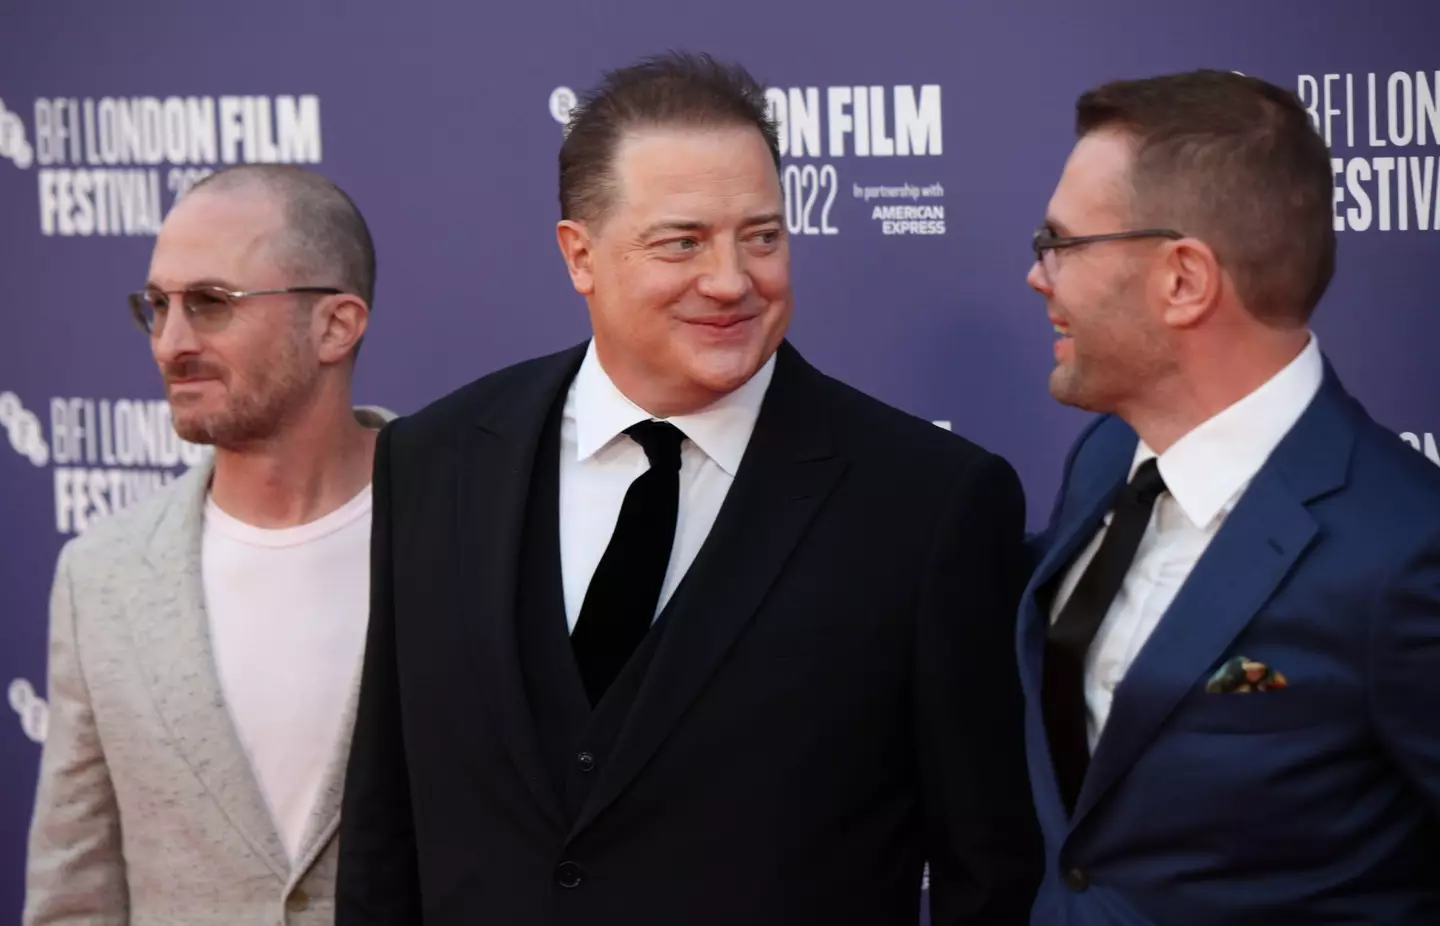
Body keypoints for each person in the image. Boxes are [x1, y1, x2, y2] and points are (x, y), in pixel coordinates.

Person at [336, 51, 1039, 925]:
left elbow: (991, 870)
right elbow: (383, 825)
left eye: (762, 235)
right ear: (579, 255)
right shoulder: (432, 461)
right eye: (683, 242)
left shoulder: (929, 504)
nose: (732, 281)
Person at [1020, 69, 1440, 924]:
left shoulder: (1406, 554)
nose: (1039, 276)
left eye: (1060, 243)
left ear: (1183, 280)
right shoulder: (1106, 457)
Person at [23, 164, 391, 925]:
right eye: (156, 306)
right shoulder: (104, 578)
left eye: (210, 304)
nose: (170, 343)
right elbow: (74, 887)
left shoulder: (472, 537)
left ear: (336, 325)